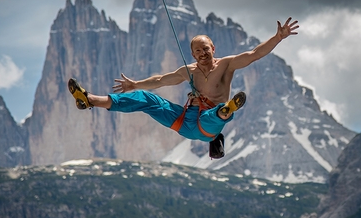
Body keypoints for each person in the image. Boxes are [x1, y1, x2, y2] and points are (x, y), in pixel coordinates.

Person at [68, 17, 299, 152]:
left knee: (216, 114)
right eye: (197, 51)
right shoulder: (187, 71)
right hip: (185, 121)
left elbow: (254, 53)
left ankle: (227, 109)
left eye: (205, 49)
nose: (202, 53)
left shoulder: (227, 65)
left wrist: (278, 37)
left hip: (209, 128)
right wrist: (134, 84)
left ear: (213, 49)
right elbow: (160, 80)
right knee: (146, 99)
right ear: (192, 53)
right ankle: (89, 100)